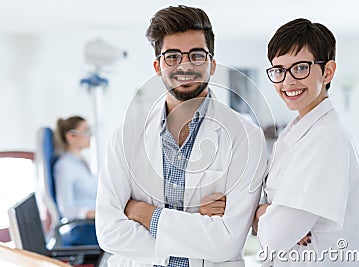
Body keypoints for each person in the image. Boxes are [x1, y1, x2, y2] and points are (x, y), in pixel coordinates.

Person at [95, 5, 268, 267]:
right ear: (157, 66)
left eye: (196, 55)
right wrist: (194, 237)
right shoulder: (125, 136)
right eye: (172, 56)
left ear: (212, 64)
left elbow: (227, 242)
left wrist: (143, 213)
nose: (184, 66)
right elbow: (109, 233)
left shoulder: (246, 136)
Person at [254, 18, 359, 266]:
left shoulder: (327, 137)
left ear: (327, 71)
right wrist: (267, 213)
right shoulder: (299, 130)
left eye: (300, 68)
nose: (287, 82)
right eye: (279, 70)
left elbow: (274, 238)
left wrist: (263, 216)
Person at [54, 115, 97, 221]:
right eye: (86, 131)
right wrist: (94, 213)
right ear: (71, 136)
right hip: (84, 225)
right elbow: (67, 210)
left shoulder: (82, 161)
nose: (90, 135)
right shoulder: (64, 166)